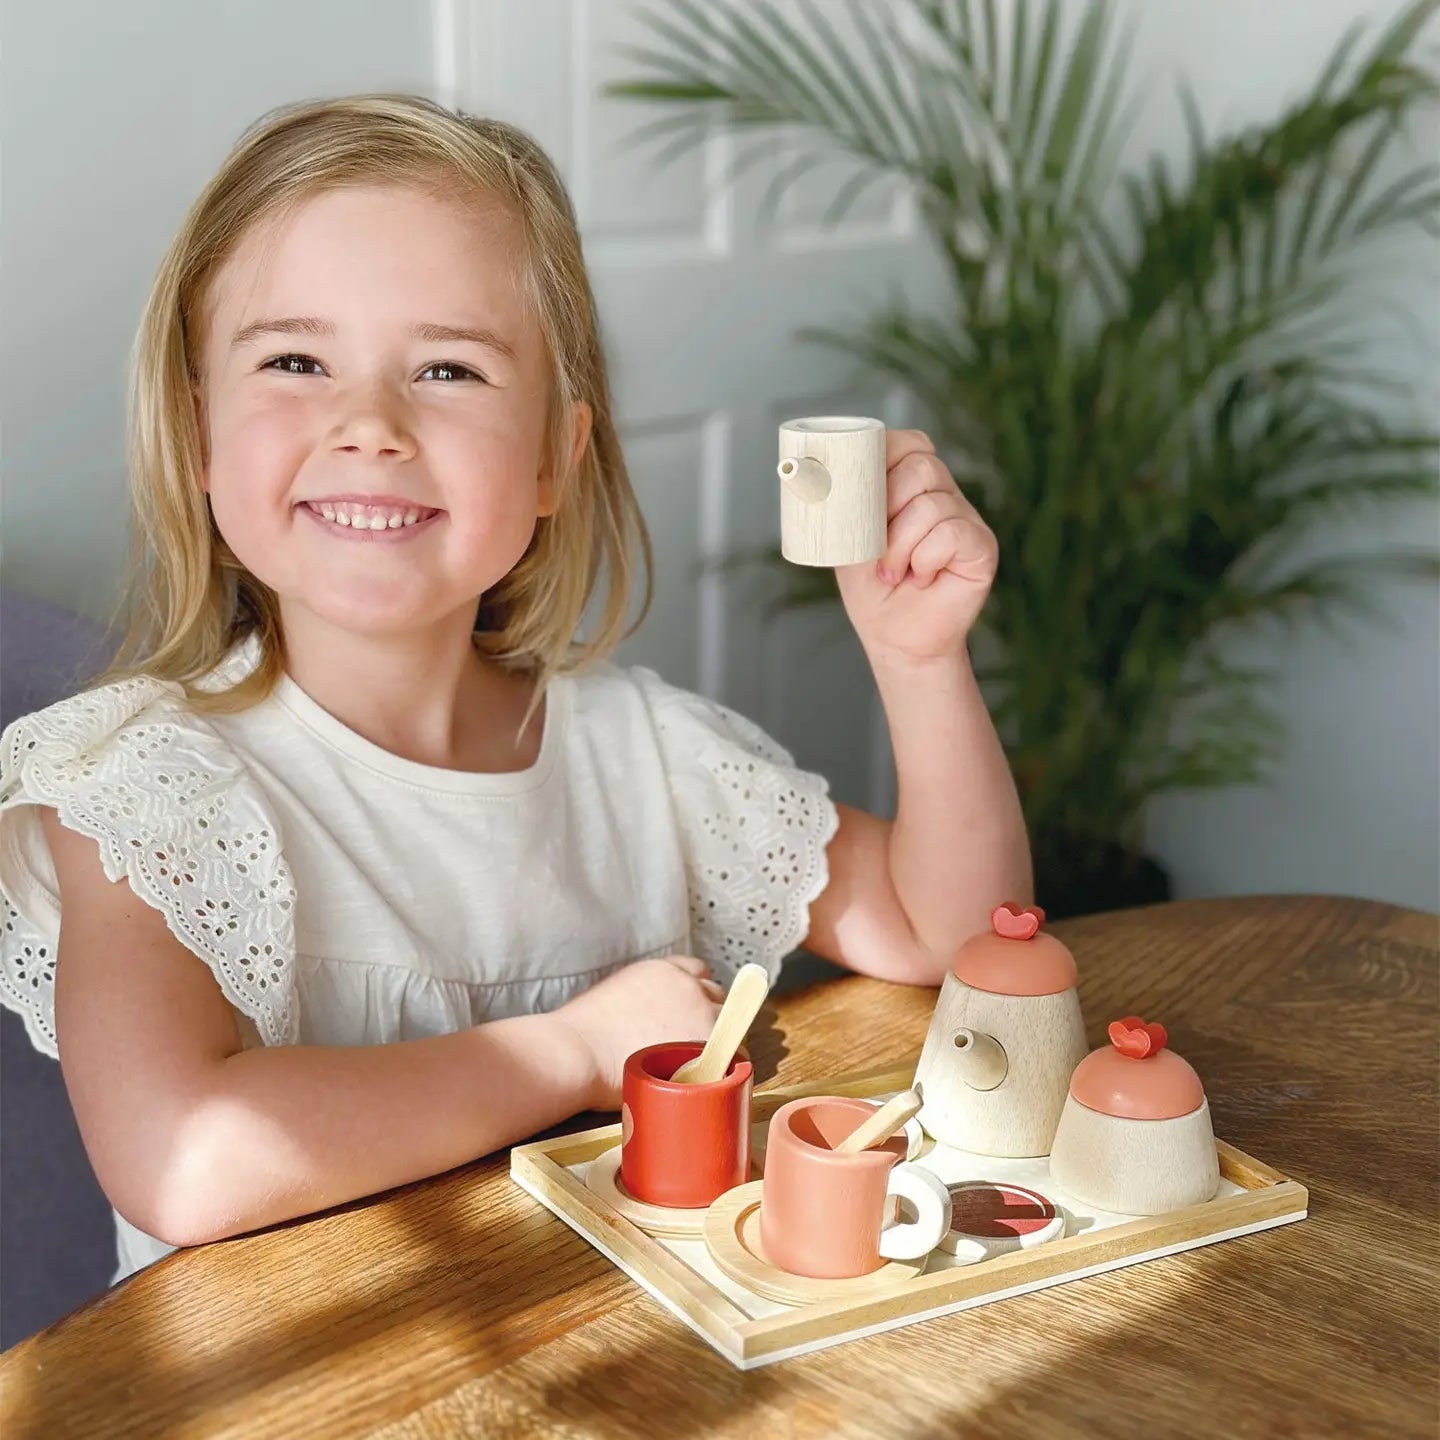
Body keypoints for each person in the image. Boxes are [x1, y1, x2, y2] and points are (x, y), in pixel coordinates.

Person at [0, 95, 1031, 1287]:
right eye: (294, 361)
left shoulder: (650, 758)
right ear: (198, 436)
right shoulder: (137, 792)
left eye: (448, 368)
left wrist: (918, 660)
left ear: (554, 457)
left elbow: (956, 937)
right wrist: (576, 1051)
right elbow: (184, 1157)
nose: (370, 424)